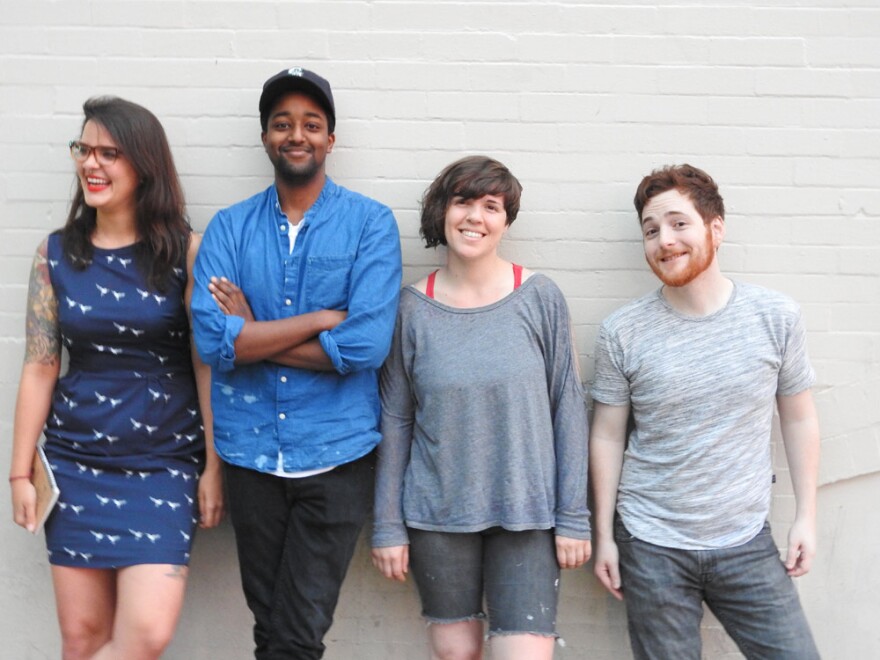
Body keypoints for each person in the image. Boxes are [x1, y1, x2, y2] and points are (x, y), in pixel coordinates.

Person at [190, 67, 402, 659]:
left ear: (330, 138)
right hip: (249, 456)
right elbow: (211, 342)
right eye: (282, 124)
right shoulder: (230, 228)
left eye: (311, 124)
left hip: (335, 456)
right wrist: (319, 320)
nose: (296, 134)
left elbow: (363, 348)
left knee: (295, 635)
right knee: (273, 630)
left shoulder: (369, 224)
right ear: (265, 137)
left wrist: (250, 333)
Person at [9, 96, 224, 660]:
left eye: (109, 153)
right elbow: (40, 365)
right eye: (83, 149)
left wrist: (214, 464)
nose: (91, 164)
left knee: (146, 634)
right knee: (82, 638)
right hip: (74, 464)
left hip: (163, 465)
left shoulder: (187, 253)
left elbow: (207, 362)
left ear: (144, 165)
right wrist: (19, 474)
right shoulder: (55, 255)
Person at [589, 163, 821, 659]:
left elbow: (799, 417)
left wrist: (806, 516)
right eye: (651, 230)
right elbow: (606, 435)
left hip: (745, 539)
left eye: (678, 224)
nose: (664, 241)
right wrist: (604, 535)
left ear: (716, 229)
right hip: (651, 543)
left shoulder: (775, 317)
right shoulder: (622, 331)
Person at [371, 156, 591, 660]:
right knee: (455, 653)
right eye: (463, 202)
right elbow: (396, 419)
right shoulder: (411, 309)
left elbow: (568, 408)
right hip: (437, 516)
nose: (475, 217)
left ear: (506, 220)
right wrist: (387, 524)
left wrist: (573, 516)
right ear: (442, 212)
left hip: (527, 514)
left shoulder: (539, 298)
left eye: (491, 206)